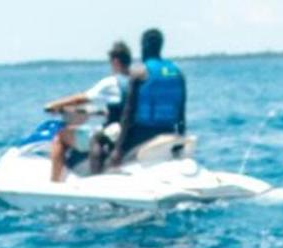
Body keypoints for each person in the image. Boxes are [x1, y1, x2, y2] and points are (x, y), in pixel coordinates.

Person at [44, 41, 131, 182]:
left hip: (112, 137)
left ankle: (54, 184)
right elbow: (124, 109)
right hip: (127, 134)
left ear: (115, 61)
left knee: (60, 136)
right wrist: (99, 112)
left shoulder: (111, 82)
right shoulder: (135, 81)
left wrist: (54, 104)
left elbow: (82, 98)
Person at [111, 28, 186, 166]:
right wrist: (180, 141)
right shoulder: (177, 73)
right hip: (169, 131)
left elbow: (128, 114)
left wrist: (118, 149)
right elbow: (181, 116)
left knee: (105, 150)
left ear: (144, 46)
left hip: (143, 135)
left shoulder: (139, 72)